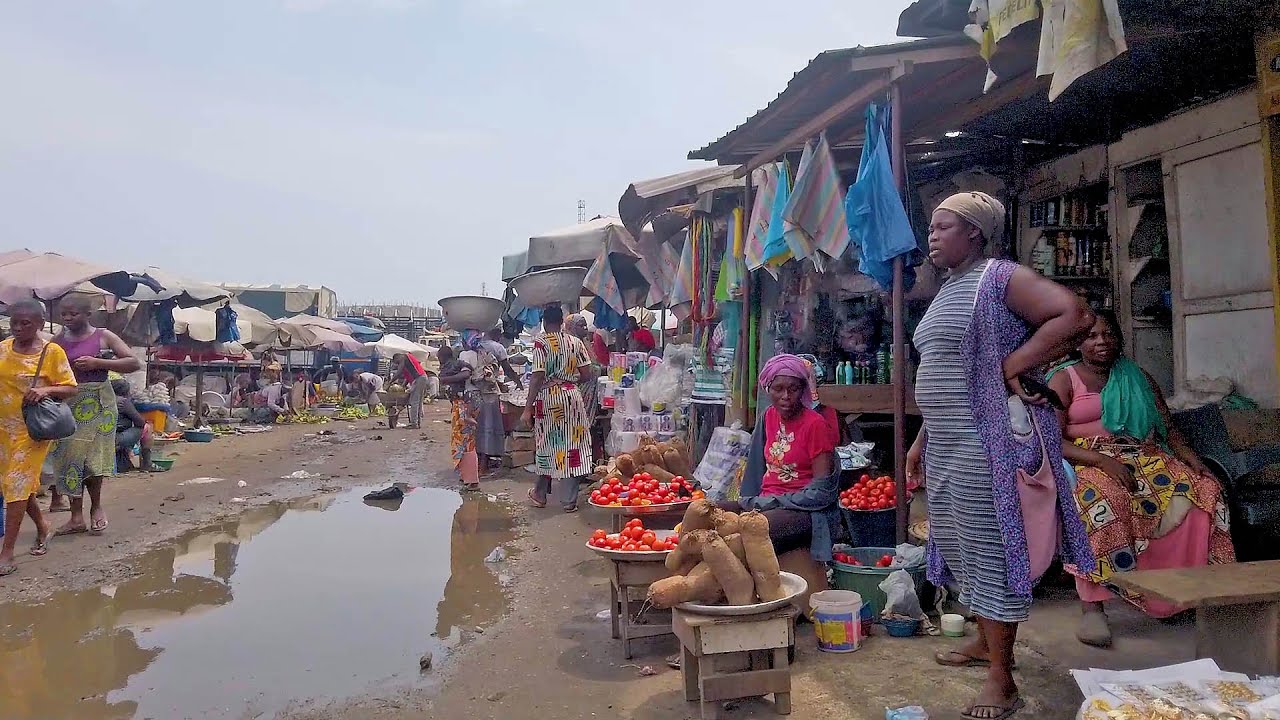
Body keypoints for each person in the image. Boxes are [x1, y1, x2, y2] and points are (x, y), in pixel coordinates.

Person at [906, 191, 1095, 720]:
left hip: (983, 441)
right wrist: (922, 440)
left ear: (975, 233)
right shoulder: (950, 288)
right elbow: (947, 370)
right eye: (932, 228)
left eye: (945, 227)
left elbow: (1073, 314)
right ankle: (984, 643)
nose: (933, 236)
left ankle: (1002, 679)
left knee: (989, 551)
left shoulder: (1000, 277)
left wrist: (1014, 364)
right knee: (962, 546)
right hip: (946, 440)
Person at [1047, 310, 1234, 647]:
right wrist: (1103, 461)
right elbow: (1051, 440)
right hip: (1087, 458)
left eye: (1108, 334)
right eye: (1091, 336)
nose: (1101, 341)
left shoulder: (1139, 378)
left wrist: (1192, 460)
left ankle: (1184, 592)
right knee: (1106, 501)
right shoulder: (1064, 379)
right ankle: (1093, 607)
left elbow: (1169, 430)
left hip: (1143, 455)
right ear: (1077, 342)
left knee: (1204, 493)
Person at [47, 294, 140, 536]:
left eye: (73, 314)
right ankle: (75, 516)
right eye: (63, 314)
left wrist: (99, 363)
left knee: (93, 459)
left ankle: (96, 507)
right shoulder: (57, 341)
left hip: (99, 403)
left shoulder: (103, 335)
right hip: (68, 403)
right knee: (68, 458)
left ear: (88, 314)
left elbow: (133, 362)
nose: (67, 318)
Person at [733, 354, 840, 555]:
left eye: (793, 389)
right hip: (766, 503)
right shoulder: (768, 417)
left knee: (754, 530)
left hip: (806, 512)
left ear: (803, 390)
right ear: (768, 389)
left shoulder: (815, 425)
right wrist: (749, 502)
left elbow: (822, 493)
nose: (786, 396)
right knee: (709, 512)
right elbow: (755, 471)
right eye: (778, 389)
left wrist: (761, 504)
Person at [0, 301, 77, 576]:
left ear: (40, 324)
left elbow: (70, 387)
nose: (19, 328)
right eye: (14, 323)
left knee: (16, 483)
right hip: (3, 429)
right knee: (13, 486)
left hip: (31, 430)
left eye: (26, 323)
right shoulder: (3, 348)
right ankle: (43, 526)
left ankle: (6, 553)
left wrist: (46, 391)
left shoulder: (50, 352)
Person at [521, 305, 594, 512]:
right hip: (572, 397)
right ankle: (569, 501)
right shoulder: (575, 342)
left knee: (547, 444)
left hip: (549, 399)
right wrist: (568, 381)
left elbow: (537, 376)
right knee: (574, 444)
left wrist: (528, 408)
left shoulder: (541, 343)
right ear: (562, 322)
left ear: (544, 322)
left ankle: (540, 494)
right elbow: (587, 374)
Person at [461, 330, 509, 477]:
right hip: (489, 396)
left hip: (472, 396)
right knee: (487, 430)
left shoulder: (465, 355)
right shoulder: (488, 354)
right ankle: (483, 466)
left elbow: (465, 375)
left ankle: (472, 469)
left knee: (472, 434)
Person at [437, 346, 481, 491]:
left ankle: (471, 480)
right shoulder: (458, 363)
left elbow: (466, 374)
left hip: (462, 404)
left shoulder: (454, 365)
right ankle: (467, 476)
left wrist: (445, 379)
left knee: (465, 441)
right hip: (460, 404)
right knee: (465, 441)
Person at [112, 378, 153, 472]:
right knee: (146, 428)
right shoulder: (123, 401)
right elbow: (140, 422)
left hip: (102, 435)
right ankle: (147, 464)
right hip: (115, 438)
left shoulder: (105, 399)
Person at [389, 352, 430, 429]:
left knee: (414, 401)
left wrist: (390, 382)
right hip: (421, 378)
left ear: (398, 357)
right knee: (418, 402)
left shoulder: (405, 357)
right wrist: (402, 387)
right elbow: (407, 378)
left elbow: (398, 373)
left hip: (419, 378)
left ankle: (414, 423)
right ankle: (417, 423)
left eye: (397, 362)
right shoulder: (407, 362)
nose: (398, 364)